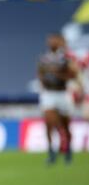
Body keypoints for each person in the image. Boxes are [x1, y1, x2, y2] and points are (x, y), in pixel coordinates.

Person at [37, 33, 79, 165]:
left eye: (54, 40)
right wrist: (43, 83)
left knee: (65, 125)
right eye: (49, 40)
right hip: (49, 94)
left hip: (62, 93)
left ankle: (68, 150)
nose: (51, 42)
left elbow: (73, 74)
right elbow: (40, 73)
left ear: (59, 41)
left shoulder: (65, 57)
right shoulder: (44, 58)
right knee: (49, 123)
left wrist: (58, 74)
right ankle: (51, 151)